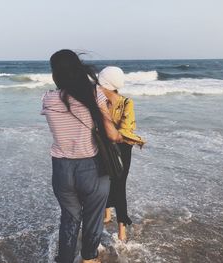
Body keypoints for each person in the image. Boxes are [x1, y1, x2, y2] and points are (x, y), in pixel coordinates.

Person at [41, 50, 123, 263]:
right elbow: (112, 135)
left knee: (69, 219)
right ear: (78, 69)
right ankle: (89, 258)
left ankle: (65, 259)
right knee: (93, 217)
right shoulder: (95, 93)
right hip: (91, 167)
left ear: (55, 73)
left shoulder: (48, 98)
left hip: (61, 169)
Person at [98, 66, 145, 241]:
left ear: (106, 84)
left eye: (99, 83)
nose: (96, 85)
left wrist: (109, 131)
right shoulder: (99, 101)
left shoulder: (126, 103)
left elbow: (126, 130)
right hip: (104, 146)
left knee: (119, 185)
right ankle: (107, 214)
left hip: (122, 147)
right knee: (103, 179)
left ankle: (122, 227)